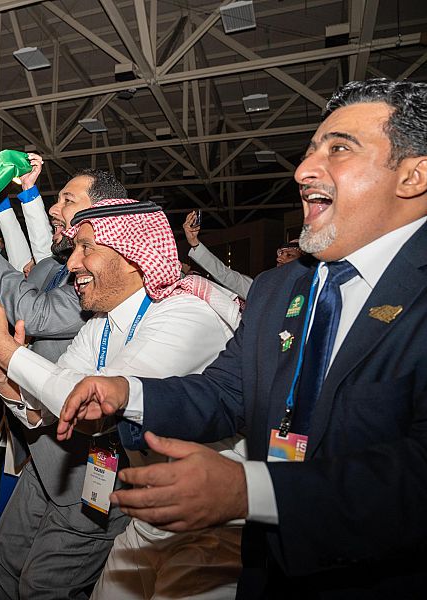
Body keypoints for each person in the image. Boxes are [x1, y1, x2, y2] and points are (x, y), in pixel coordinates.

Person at [57, 78, 427, 598]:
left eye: (339, 149)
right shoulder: (279, 289)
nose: (303, 170)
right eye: (310, 150)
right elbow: (226, 393)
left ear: (413, 176)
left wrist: (250, 491)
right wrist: (128, 393)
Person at [0, 198, 244, 599]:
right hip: (147, 514)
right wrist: (1, 374)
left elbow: (92, 405)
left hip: (210, 522)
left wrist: (4, 349)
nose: (72, 263)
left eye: (87, 247)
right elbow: (47, 411)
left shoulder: (187, 316)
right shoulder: (101, 324)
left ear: (133, 256)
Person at [0, 166, 129, 599]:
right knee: (2, 556)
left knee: (44, 585)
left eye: (67, 200)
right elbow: (6, 297)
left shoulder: (101, 282)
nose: (53, 208)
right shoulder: (51, 267)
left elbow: (35, 313)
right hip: (45, 452)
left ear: (103, 214)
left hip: (89, 464)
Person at [183, 212, 304, 299]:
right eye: (281, 253)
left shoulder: (309, 291)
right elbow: (226, 275)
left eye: (289, 255)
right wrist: (194, 242)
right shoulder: (263, 287)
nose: (279, 258)